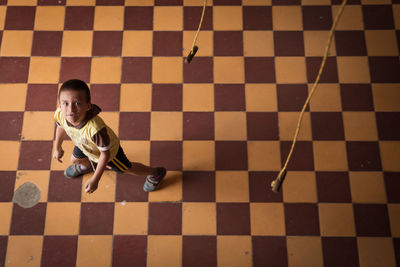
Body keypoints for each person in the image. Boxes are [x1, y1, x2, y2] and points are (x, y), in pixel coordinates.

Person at [52, 79, 166, 194]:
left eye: (77, 103)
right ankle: (87, 167)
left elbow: (105, 155)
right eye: (65, 103)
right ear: (60, 105)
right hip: (84, 144)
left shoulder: (95, 130)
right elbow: (61, 127)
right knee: (75, 159)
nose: (70, 110)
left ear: (88, 106)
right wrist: (57, 148)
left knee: (126, 168)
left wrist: (95, 179)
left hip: (110, 153)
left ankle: (155, 173)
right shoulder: (60, 114)